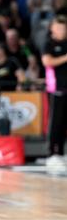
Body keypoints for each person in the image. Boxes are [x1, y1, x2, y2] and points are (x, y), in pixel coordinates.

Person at [42, 15, 67, 171]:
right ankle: (52, 154)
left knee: (64, 124)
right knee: (55, 123)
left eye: (64, 28)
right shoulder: (49, 44)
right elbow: (47, 61)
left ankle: (62, 153)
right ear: (52, 29)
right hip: (56, 90)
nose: (62, 30)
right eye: (58, 27)